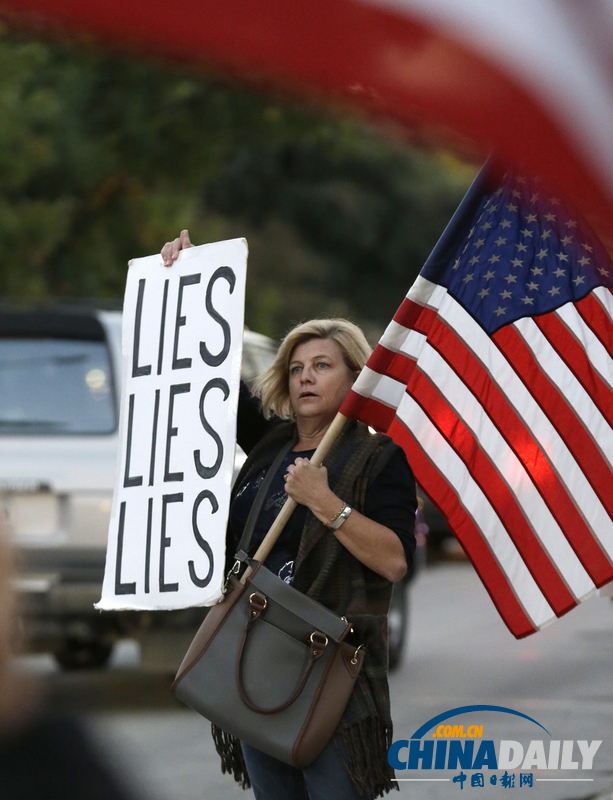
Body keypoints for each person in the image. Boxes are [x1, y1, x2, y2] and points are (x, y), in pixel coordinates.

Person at [161, 232, 417, 799]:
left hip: (330, 677)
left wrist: (327, 503)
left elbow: (395, 560)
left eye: (323, 365)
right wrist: (185, 285)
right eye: (297, 366)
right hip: (253, 659)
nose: (306, 376)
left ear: (355, 379)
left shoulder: (378, 460)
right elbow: (210, 378)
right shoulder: (269, 445)